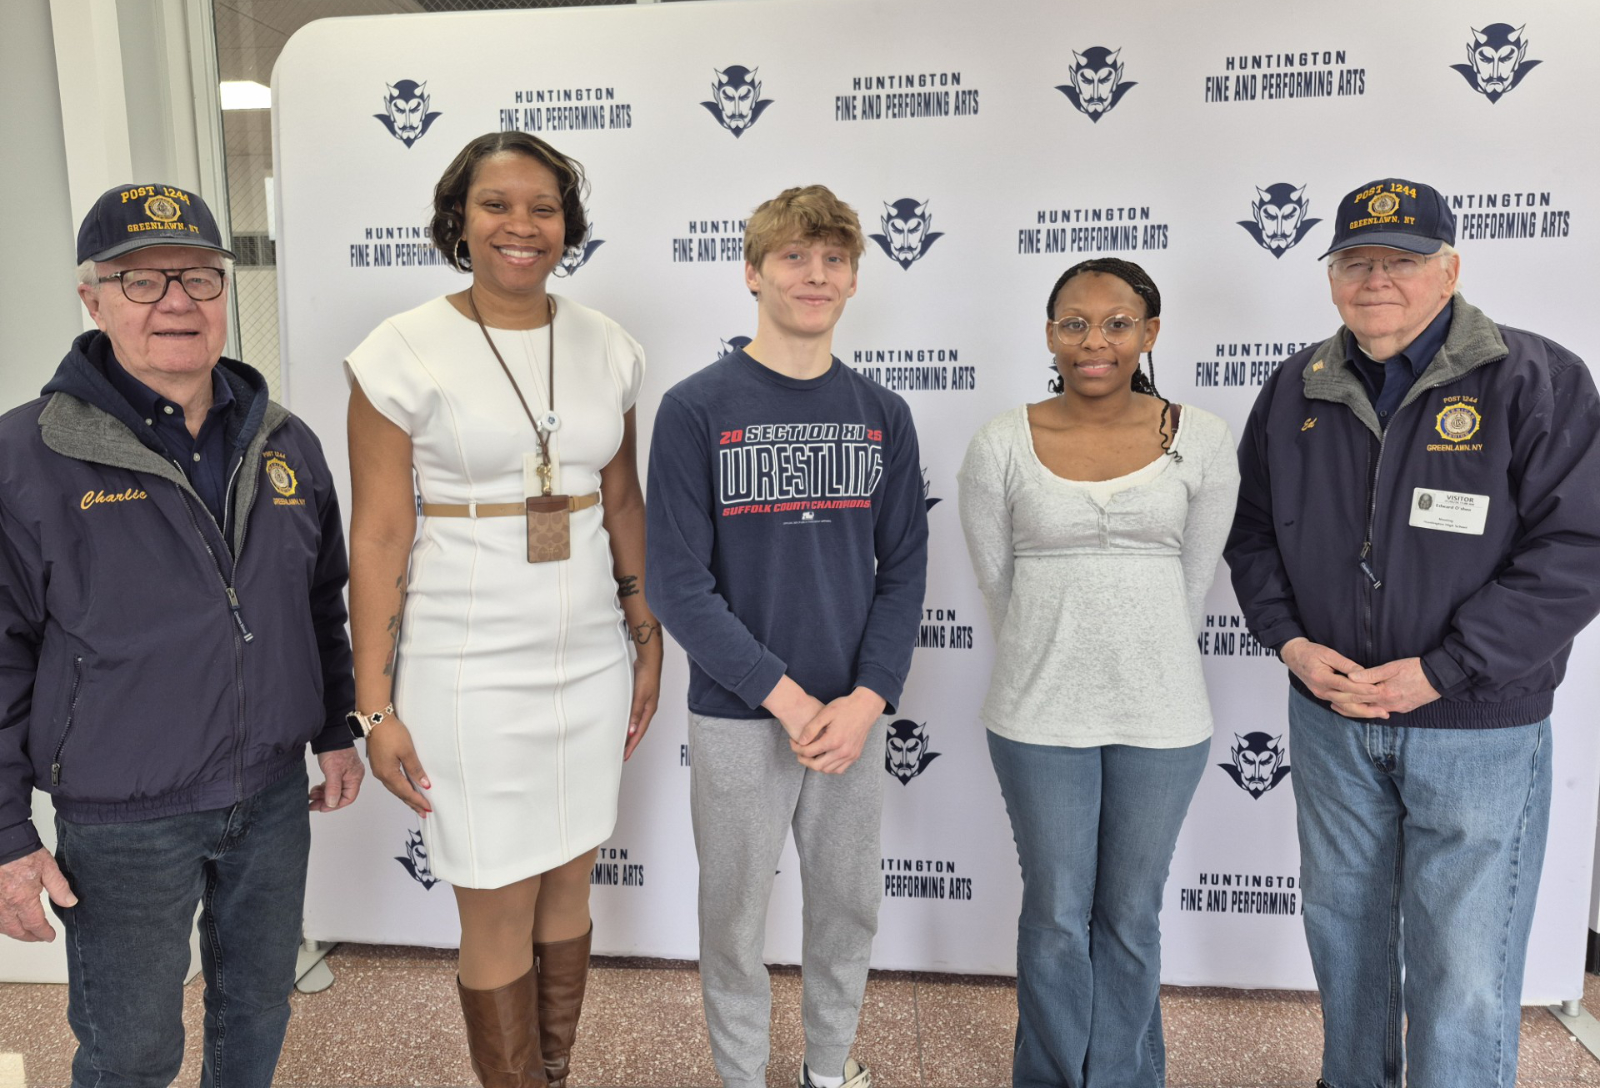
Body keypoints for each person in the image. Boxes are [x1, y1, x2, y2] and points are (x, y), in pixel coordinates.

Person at [1225, 176, 1600, 1088]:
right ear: (1330, 277)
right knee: (1345, 940)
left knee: (1464, 968)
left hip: (1478, 727)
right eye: (1357, 259)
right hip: (1333, 720)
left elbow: (1579, 546)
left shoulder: (1535, 377)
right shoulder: (1295, 387)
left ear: (1450, 270)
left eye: (1403, 259)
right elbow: (1255, 535)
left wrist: (1445, 670)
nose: (1377, 278)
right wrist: (1290, 643)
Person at [0, 182, 364, 1087]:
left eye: (200, 278)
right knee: (130, 1050)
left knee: (256, 1012)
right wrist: (6, 833)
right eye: (142, 280)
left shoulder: (285, 442)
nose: (176, 303)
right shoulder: (27, 456)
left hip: (272, 797)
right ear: (93, 298)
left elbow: (319, 601)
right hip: (126, 817)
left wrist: (333, 729)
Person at [345, 131, 661, 1088]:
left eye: (543, 208)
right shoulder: (398, 352)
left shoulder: (609, 345)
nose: (521, 226)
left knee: (569, 872)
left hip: (589, 658)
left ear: (568, 224)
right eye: (496, 206)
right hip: (465, 662)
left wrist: (646, 636)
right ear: (458, 219)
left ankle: (551, 1075)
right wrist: (373, 703)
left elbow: (620, 504)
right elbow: (380, 537)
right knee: (493, 895)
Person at [646, 185, 928, 1088]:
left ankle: (827, 1071)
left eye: (833, 259)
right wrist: (787, 696)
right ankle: (740, 1076)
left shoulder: (883, 414)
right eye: (795, 258)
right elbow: (677, 586)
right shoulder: (696, 409)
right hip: (739, 713)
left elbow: (906, 572)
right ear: (753, 272)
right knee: (732, 917)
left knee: (848, 908)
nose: (815, 275)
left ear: (852, 279)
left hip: (853, 716)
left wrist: (867, 699)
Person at [957, 258, 1239, 1087]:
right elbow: (997, 585)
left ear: (1149, 334)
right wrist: (1059, 652)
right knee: (1052, 915)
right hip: (1036, 717)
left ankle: (1121, 1075)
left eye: (1118, 323)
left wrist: (1137, 653)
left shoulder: (1204, 439)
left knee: (1129, 916)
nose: (1095, 341)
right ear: (1050, 335)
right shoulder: (1001, 442)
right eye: (1074, 322)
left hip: (1164, 718)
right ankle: (1049, 1077)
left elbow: (1193, 584)